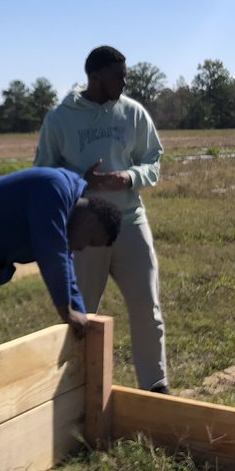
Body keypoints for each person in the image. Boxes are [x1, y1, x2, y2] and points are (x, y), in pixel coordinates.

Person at [34, 45, 168, 393]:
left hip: (129, 222)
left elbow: (154, 161)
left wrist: (129, 178)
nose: (124, 82)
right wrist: (81, 179)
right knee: (81, 313)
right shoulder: (60, 119)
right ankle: (73, 390)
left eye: (125, 75)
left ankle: (156, 387)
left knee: (146, 306)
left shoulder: (133, 114)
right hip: (83, 230)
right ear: (94, 77)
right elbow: (43, 174)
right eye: (117, 76)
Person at [0, 166, 121, 360]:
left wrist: (81, 314)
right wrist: (66, 311)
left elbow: (65, 266)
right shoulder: (55, 189)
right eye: (90, 241)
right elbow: (51, 253)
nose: (82, 249)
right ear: (90, 222)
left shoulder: (67, 210)